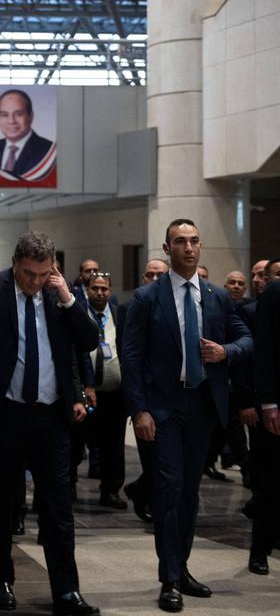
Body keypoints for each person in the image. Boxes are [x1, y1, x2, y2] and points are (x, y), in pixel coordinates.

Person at [0, 231, 100, 615]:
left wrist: (69, 298)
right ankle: (1, 580)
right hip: (4, 415)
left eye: (43, 274)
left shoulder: (61, 295)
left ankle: (67, 591)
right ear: (14, 262)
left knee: (58, 508)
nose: (35, 282)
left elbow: (88, 341)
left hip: (50, 418)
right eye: (28, 274)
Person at [121, 219, 252, 612]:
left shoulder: (214, 296)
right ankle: (170, 578)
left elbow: (247, 337)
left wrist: (226, 352)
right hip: (162, 409)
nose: (189, 248)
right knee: (169, 489)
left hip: (203, 407)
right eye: (181, 242)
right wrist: (139, 409)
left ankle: (182, 567)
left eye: (195, 241)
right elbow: (131, 357)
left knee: (190, 494)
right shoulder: (147, 298)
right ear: (167, 248)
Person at [121, 258, 169, 524]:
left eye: (159, 274)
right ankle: (144, 495)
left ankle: (140, 489)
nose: (153, 279)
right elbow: (129, 354)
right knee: (154, 460)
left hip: (172, 397)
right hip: (146, 397)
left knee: (167, 463)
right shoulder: (131, 307)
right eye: (149, 274)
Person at [80, 273, 128, 509]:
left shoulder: (119, 315)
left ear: (110, 291)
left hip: (114, 394)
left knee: (114, 446)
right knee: (77, 442)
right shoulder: (79, 313)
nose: (99, 293)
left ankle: (111, 490)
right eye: (95, 288)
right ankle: (67, 487)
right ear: (87, 290)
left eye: (104, 289)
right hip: (85, 392)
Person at [249, 276, 280, 575]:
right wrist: (268, 401)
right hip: (277, 404)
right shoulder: (275, 290)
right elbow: (264, 350)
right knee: (272, 482)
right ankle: (259, 549)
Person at [0, 89, 54, 177]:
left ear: (31, 116)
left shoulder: (50, 152)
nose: (11, 121)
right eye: (5, 115)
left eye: (18, 114)